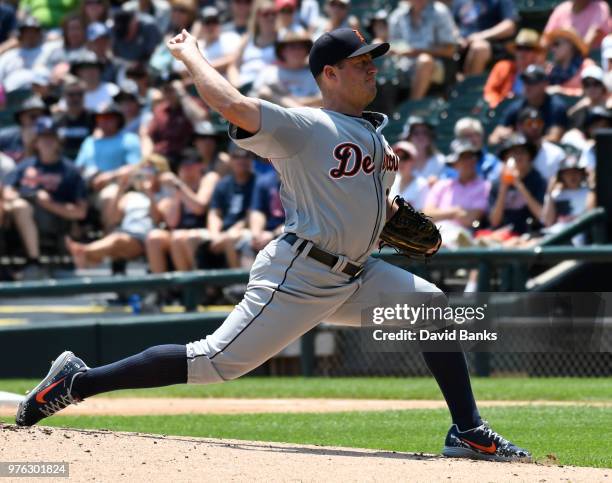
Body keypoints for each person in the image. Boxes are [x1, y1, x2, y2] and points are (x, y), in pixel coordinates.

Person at [15, 26, 531, 465]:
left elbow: (362, 201)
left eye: (373, 61)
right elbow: (232, 105)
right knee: (213, 362)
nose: (372, 68)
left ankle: (467, 430)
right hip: (302, 273)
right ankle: (76, 382)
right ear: (329, 74)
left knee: (432, 308)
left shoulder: (372, 135)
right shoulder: (304, 126)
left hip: (356, 272)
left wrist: (390, 216)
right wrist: (190, 53)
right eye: (360, 63)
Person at [2, 117, 87, 278]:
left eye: (51, 138)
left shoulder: (70, 170)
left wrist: (49, 204)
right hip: (16, 219)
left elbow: (80, 212)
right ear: (36, 142)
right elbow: (7, 191)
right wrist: (21, 196)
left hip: (53, 220)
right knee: (19, 206)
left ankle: (34, 262)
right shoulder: (25, 165)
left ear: (58, 142)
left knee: (21, 208)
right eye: (43, 138)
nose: (47, 142)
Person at [65, 156, 167, 269]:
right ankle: (87, 257)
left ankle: (84, 251)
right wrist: (121, 188)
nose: (145, 174)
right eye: (143, 170)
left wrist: (150, 194)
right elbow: (111, 221)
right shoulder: (130, 196)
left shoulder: (164, 196)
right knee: (116, 239)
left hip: (145, 238)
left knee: (117, 240)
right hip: (125, 235)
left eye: (150, 170)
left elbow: (157, 219)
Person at [146, 152, 218, 274]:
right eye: (183, 165)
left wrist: (179, 185)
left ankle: (196, 288)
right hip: (180, 232)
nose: (186, 168)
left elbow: (199, 208)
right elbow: (172, 222)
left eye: (190, 164)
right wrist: (176, 191)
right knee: (154, 237)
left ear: (200, 166)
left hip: (203, 230)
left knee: (180, 237)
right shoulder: (177, 185)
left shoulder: (208, 178)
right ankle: (164, 291)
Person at [75, 103, 142, 231]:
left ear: (118, 120)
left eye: (110, 117)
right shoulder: (89, 142)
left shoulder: (129, 139)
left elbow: (135, 166)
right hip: (86, 188)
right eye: (101, 118)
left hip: (116, 186)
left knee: (109, 196)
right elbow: (78, 167)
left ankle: (108, 236)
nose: (105, 121)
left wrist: (109, 176)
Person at [423, 139, 490, 247]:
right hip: (435, 233)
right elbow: (427, 215)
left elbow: (471, 219)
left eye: (471, 157)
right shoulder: (441, 185)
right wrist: (455, 212)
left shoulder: (484, 186)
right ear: (454, 164)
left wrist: (440, 214)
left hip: (464, 237)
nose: (469, 162)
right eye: (463, 158)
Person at [388, 0, 458, 100]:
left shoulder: (440, 12)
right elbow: (394, 45)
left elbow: (450, 50)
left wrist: (416, 51)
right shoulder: (397, 16)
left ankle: (412, 108)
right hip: (403, 63)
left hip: (438, 63)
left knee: (424, 61)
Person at [489, 64, 569, 145]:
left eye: (532, 82)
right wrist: (504, 136)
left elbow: (555, 138)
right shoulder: (516, 106)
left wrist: (525, 143)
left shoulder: (556, 106)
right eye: (525, 81)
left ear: (545, 84)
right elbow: (493, 139)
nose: (527, 86)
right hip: (521, 152)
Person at [488, 134, 546, 238]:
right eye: (514, 153)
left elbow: (543, 217)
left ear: (529, 156)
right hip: (502, 235)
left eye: (522, 152)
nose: (518, 157)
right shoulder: (497, 183)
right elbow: (494, 221)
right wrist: (504, 187)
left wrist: (519, 185)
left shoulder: (538, 181)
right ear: (505, 158)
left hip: (531, 234)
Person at [252, 28, 321, 107]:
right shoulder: (269, 72)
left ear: (307, 51)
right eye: (292, 47)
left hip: (305, 116)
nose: (297, 51)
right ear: (282, 51)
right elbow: (256, 97)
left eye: (301, 47)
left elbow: (321, 100)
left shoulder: (315, 75)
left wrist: (278, 97)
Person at [451, 0, 518, 76]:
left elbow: (509, 26)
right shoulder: (459, 2)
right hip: (461, 43)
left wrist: (481, 36)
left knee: (479, 47)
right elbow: (452, 24)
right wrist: (457, 38)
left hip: (491, 44)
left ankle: (470, 86)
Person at [483, 28, 545, 108]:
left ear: (536, 53)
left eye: (528, 48)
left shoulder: (542, 73)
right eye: (519, 48)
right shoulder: (503, 67)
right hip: (503, 111)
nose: (523, 53)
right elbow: (490, 91)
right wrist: (498, 103)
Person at [227, 0, 278, 89]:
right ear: (257, 16)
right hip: (244, 86)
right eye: (266, 14)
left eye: (273, 13)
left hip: (268, 87)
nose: (270, 17)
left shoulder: (283, 38)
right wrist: (236, 85)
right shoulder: (247, 38)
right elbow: (233, 66)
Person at [541, 154, 595, 236]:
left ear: (582, 174)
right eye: (568, 173)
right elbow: (548, 222)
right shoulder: (555, 195)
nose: (572, 176)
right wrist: (549, 192)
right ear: (561, 176)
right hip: (558, 237)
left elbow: (592, 215)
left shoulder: (589, 193)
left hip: (581, 234)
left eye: (575, 172)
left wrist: (592, 185)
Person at [515, 107, 566, 181]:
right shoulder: (512, 152)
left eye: (539, 123)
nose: (535, 126)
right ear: (519, 126)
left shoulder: (556, 153)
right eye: (529, 123)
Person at [53, 76, 96, 161]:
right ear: (64, 96)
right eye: (71, 95)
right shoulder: (56, 120)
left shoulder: (94, 118)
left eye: (80, 94)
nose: (76, 98)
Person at [544, 27, 594, 97]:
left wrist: (562, 91)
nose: (552, 49)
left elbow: (594, 93)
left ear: (570, 45)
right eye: (551, 45)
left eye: (556, 44)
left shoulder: (587, 66)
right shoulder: (550, 70)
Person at [543, 0, 610, 50]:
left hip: (592, 60)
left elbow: (585, 47)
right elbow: (544, 42)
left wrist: (568, 34)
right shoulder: (561, 9)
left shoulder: (600, 7)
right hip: (563, 62)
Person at [453, 117, 500, 182]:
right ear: (459, 139)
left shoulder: (492, 162)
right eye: (468, 136)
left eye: (477, 134)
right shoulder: (452, 164)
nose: (474, 139)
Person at [401, 116, 446, 183]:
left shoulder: (440, 161)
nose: (421, 136)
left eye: (425, 132)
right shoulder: (401, 162)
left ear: (430, 137)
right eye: (416, 133)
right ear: (409, 138)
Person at [388, 141, 429, 210]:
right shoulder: (390, 180)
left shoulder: (422, 184)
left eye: (405, 157)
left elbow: (423, 213)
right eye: (397, 157)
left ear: (413, 160)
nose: (400, 162)